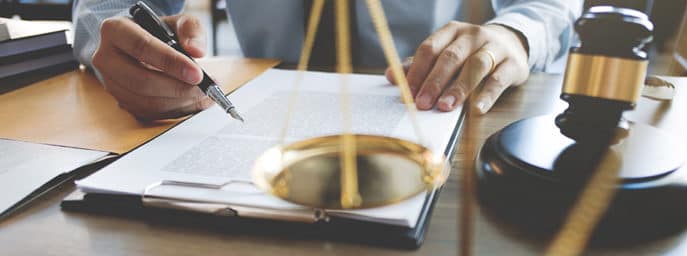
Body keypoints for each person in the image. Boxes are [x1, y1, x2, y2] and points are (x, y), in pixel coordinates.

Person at [72, 0, 580, 120]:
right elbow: (104, 7)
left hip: (423, 105)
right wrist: (111, 30)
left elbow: (550, 8)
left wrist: (517, 32)